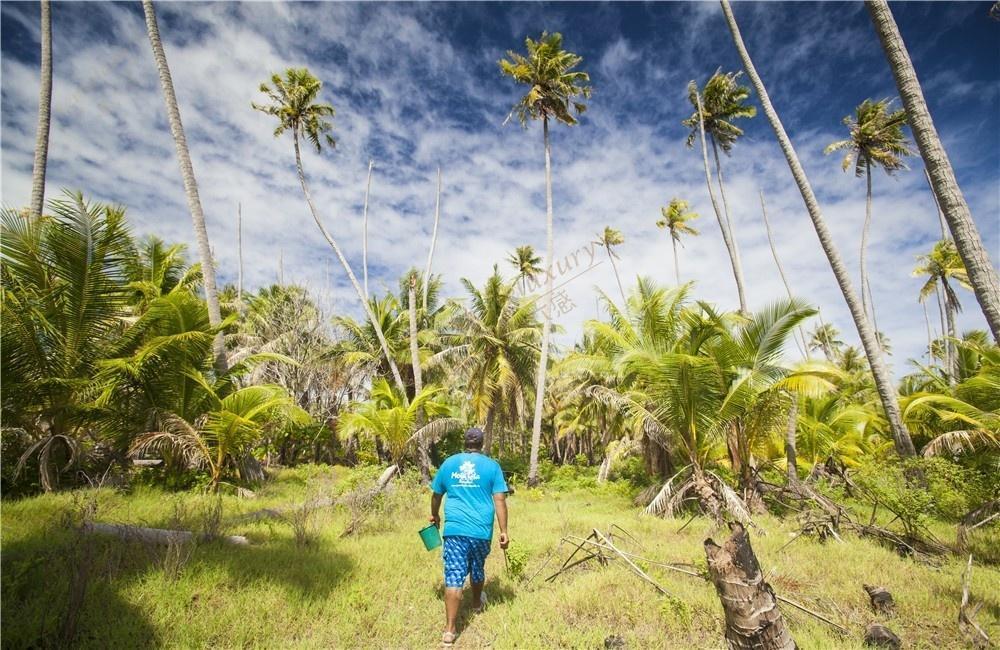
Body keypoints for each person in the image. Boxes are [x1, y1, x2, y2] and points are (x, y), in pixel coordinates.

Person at [430, 427, 509, 646]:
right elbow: (500, 500)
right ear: (482, 444)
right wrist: (503, 531)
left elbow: (436, 494)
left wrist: (435, 516)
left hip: (455, 530)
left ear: (465, 443)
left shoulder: (449, 463)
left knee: (454, 576)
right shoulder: (492, 466)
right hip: (481, 530)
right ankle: (476, 603)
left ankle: (449, 631)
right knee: (477, 567)